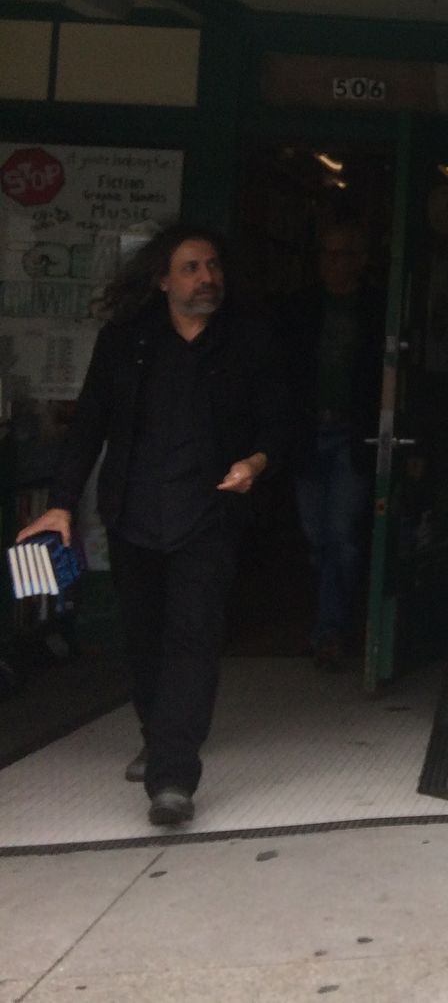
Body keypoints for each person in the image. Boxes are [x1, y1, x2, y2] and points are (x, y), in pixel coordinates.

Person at [14, 225, 289, 827]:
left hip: (208, 514)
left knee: (193, 638)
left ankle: (173, 776)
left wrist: (255, 462)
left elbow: (277, 423)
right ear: (163, 279)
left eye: (212, 265)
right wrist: (61, 501)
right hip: (134, 514)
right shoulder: (125, 342)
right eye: (191, 268)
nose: (206, 278)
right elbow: (88, 424)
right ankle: (157, 734)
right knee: (144, 640)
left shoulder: (247, 342)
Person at [283, 221, 385, 672]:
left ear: (361, 259)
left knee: (341, 535)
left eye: (343, 253)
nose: (333, 263)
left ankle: (330, 630)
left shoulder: (379, 308)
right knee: (316, 537)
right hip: (308, 433)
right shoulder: (300, 307)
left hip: (352, 433)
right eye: (326, 253)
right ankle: (331, 619)